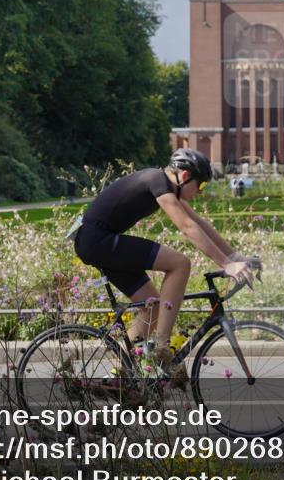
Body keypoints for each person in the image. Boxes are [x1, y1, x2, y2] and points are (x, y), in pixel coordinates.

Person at [73, 149, 256, 377]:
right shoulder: (157, 181)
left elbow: (199, 223)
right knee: (180, 263)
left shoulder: (167, 186)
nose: (200, 192)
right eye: (200, 185)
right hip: (97, 240)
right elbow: (187, 228)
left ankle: (121, 375)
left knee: (152, 306)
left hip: (96, 242)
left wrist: (234, 258)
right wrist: (225, 265)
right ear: (185, 176)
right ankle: (162, 347)